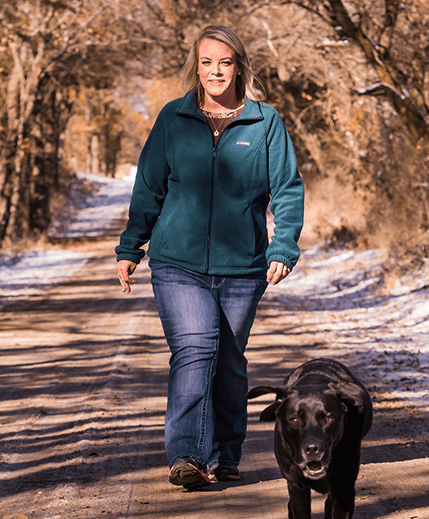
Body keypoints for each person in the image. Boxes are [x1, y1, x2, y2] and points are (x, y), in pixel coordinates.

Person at [115, 25, 304, 489]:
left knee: (229, 359)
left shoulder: (265, 122)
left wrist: (283, 245)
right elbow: (148, 189)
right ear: (196, 66)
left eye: (224, 62)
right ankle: (187, 455)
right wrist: (130, 247)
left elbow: (287, 189)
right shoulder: (173, 119)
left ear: (238, 66)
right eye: (206, 62)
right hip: (177, 263)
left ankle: (226, 452)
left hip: (243, 267)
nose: (215, 71)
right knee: (195, 350)